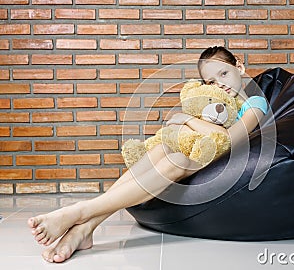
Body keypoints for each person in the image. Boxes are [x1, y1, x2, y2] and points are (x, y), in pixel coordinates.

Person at [27, 46, 269, 263]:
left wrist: (185, 120)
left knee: (175, 159)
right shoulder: (211, 104)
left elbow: (229, 139)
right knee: (162, 148)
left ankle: (80, 212)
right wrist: (186, 125)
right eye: (211, 82)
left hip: (221, 161)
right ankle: (85, 229)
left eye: (224, 73)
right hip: (198, 151)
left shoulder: (254, 102)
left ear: (239, 66)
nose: (220, 84)